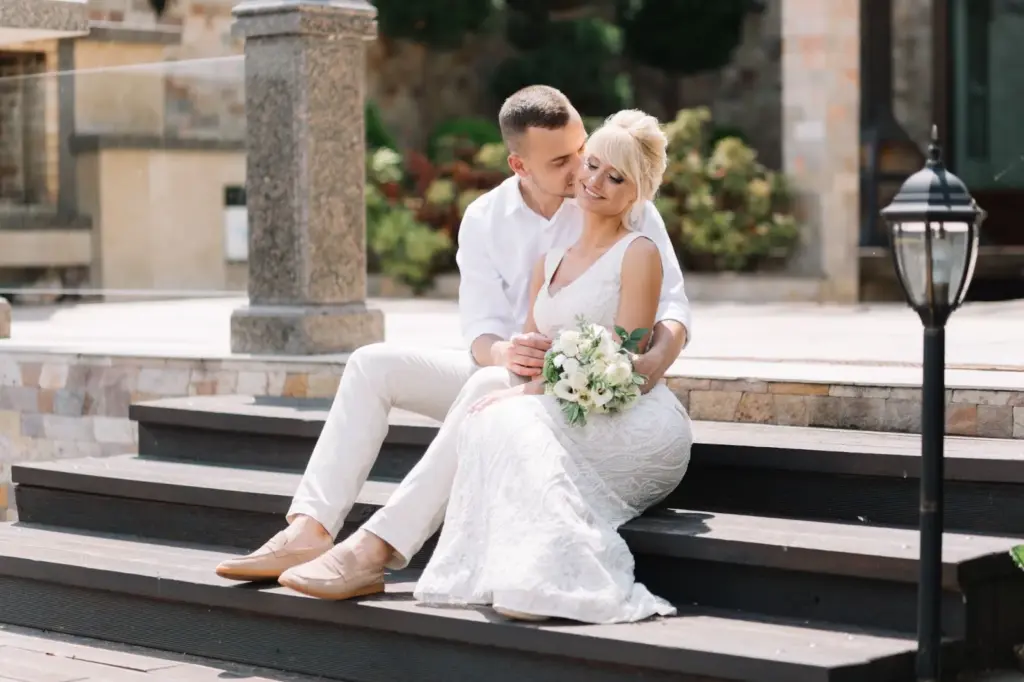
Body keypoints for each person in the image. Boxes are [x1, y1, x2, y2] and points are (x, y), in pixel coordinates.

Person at [214, 86, 692, 603]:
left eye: (583, 150)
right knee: (371, 362)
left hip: (570, 391)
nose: (583, 169)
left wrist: (644, 367)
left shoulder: (621, 199)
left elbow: (673, 306)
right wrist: (505, 354)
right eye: (563, 160)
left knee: (490, 384)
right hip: (510, 371)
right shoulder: (485, 220)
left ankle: (376, 551)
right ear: (519, 164)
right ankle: (309, 531)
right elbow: (480, 331)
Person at [411, 110, 693, 623]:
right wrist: (521, 385)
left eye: (617, 177)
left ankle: (564, 580)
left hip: (632, 416)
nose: (594, 181)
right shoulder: (550, 259)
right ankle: (525, 572)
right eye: (593, 165)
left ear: (637, 195)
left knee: (505, 414)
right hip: (568, 403)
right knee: (492, 412)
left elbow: (623, 366)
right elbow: (533, 345)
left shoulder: (639, 252)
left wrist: (527, 395)